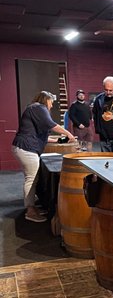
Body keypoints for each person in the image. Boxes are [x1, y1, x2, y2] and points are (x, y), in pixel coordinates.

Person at [12, 91, 76, 222]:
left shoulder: (34, 109)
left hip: (25, 147)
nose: (52, 106)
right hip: (26, 148)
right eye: (51, 102)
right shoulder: (38, 107)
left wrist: (60, 140)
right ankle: (30, 210)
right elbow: (51, 125)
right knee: (31, 179)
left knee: (31, 178)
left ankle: (32, 207)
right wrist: (68, 133)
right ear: (46, 100)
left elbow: (44, 136)